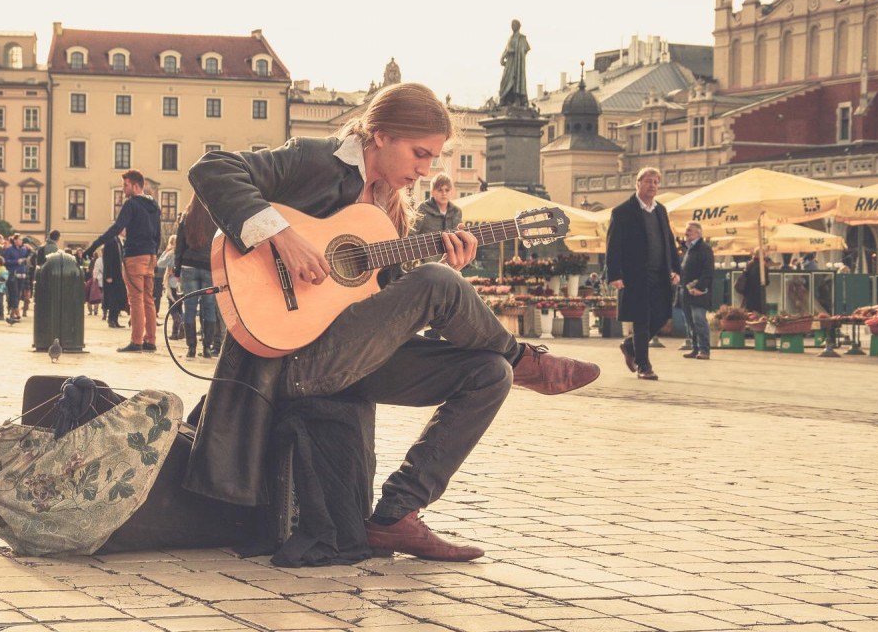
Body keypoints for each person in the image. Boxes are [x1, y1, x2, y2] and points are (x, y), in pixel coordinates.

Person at [186, 82, 599, 561]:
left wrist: (448, 272)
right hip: (291, 360)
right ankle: (527, 360)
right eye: (420, 153)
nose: (426, 169)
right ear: (379, 136)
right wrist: (284, 237)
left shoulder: (391, 211)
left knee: (489, 373)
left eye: (433, 159)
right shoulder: (314, 160)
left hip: (349, 358)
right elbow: (211, 169)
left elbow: (385, 305)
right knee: (436, 282)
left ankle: (396, 516)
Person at [606, 167, 679, 381]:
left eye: (656, 182)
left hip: (660, 274)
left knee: (662, 315)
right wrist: (615, 275)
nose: (653, 185)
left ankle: (629, 346)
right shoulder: (623, 212)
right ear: (637, 183)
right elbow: (613, 246)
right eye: (648, 181)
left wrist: (676, 269)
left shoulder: (660, 211)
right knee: (642, 320)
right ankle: (644, 366)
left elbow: (669, 242)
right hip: (635, 276)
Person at [86, 169, 162, 353]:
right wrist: (154, 252)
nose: (123, 189)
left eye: (125, 185)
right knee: (148, 300)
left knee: (135, 299)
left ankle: (136, 341)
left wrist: (94, 245)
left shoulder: (131, 204)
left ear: (136, 186)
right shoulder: (154, 205)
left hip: (135, 256)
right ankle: (150, 340)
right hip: (150, 255)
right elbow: (158, 234)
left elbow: (117, 227)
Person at [413, 173, 463, 339]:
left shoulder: (456, 212)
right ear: (432, 192)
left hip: (450, 265)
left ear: (452, 191)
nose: (444, 193)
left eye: (447, 190)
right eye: (440, 190)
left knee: (447, 303)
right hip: (426, 265)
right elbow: (412, 235)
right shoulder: (422, 209)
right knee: (432, 304)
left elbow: (459, 236)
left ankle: (441, 339)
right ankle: (430, 340)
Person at [173, 195, 216, 358]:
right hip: (209, 267)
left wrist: (177, 271)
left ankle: (191, 347)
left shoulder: (186, 216)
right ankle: (206, 348)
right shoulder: (214, 214)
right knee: (209, 307)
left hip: (188, 266)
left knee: (189, 308)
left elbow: (179, 245)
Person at [679, 221, 714, 361]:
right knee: (690, 323)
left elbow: (708, 271)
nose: (686, 233)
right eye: (686, 230)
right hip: (686, 292)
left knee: (699, 321)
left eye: (689, 231)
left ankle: (704, 350)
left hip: (699, 293)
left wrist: (699, 287)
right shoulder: (688, 249)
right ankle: (695, 348)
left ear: (698, 233)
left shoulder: (704, 249)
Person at [498, 19, 531, 107]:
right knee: (505, 81)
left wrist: (516, 52)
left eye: (514, 25)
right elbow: (506, 49)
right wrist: (502, 57)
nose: (513, 27)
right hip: (509, 63)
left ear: (518, 27)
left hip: (517, 64)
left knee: (517, 80)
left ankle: (517, 99)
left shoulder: (522, 38)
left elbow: (526, 49)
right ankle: (507, 99)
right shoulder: (510, 38)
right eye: (512, 25)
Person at [99, 234, 126, 328]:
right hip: (111, 276)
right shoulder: (110, 241)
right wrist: (108, 276)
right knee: (112, 299)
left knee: (118, 298)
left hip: (118, 276)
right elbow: (107, 260)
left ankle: (115, 320)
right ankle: (111, 320)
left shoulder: (118, 241)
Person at [3, 235, 31, 321]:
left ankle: (12, 313)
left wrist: (29, 249)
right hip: (13, 274)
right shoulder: (9, 249)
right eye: (19, 239)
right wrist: (16, 261)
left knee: (18, 294)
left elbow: (29, 255)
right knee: (14, 293)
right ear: (15, 240)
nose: (21, 241)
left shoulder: (23, 249)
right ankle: (16, 311)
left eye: (22, 240)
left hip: (22, 274)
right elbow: (5, 261)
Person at [740, 249, 767, 315]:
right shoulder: (763, 267)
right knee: (759, 315)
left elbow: (744, 277)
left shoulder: (749, 265)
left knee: (748, 314)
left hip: (748, 294)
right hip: (759, 295)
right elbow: (767, 281)